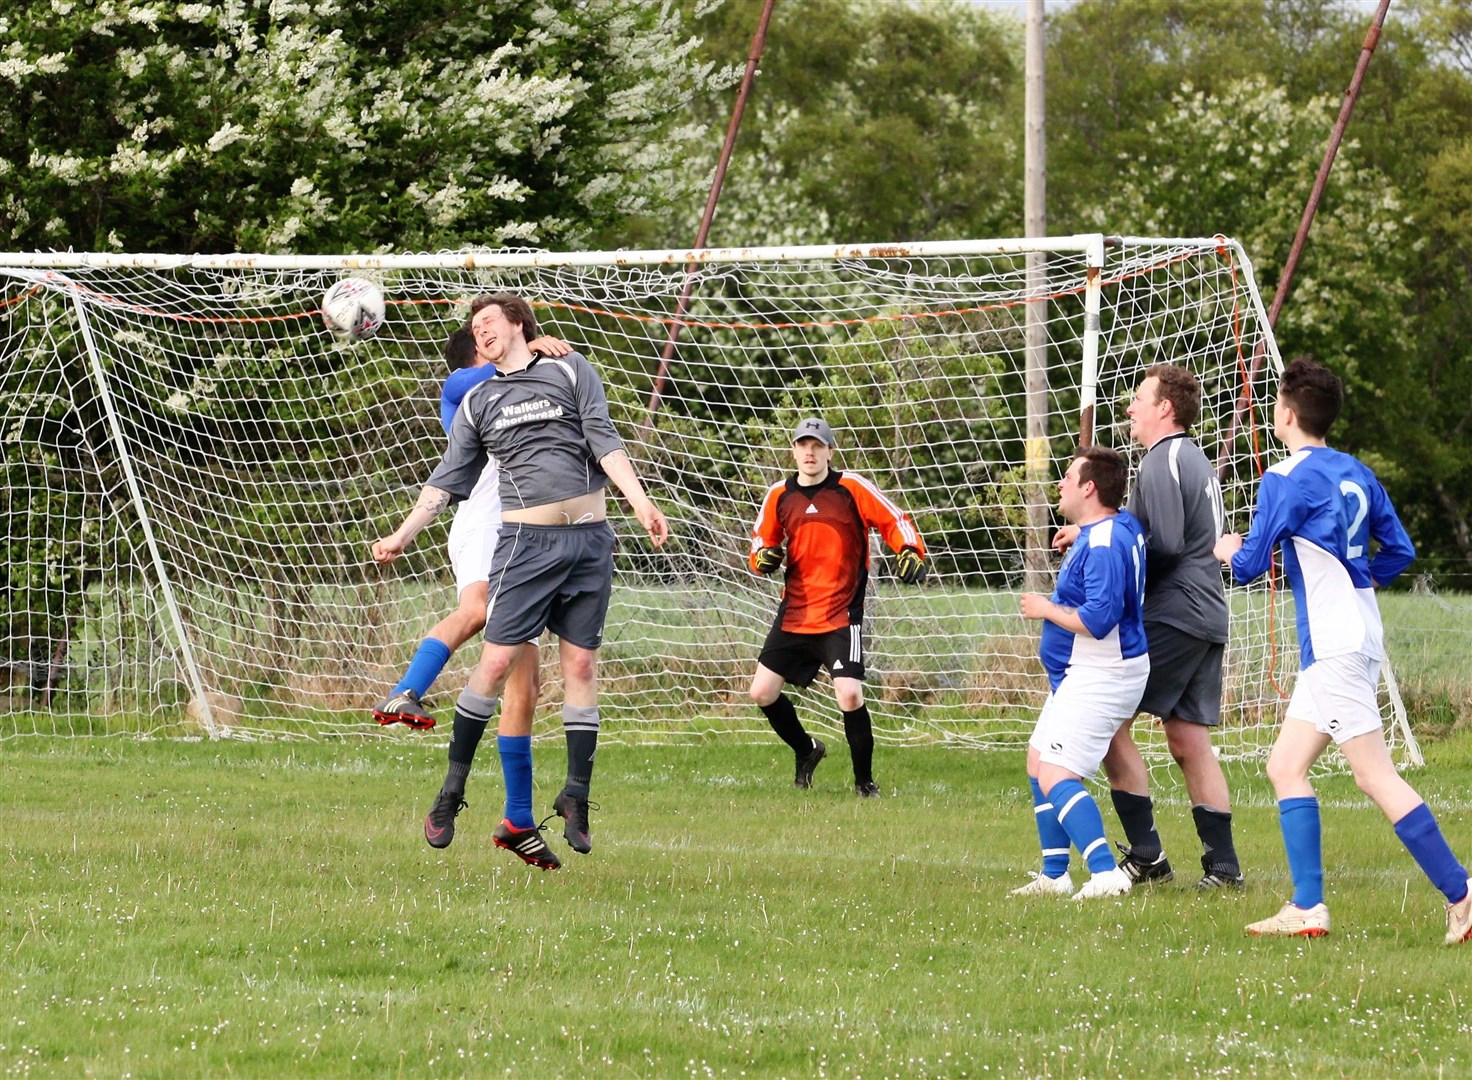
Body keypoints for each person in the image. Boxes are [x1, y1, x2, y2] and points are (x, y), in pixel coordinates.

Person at [373, 293, 669, 871]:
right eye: (474, 326)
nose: (479, 330)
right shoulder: (477, 395)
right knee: (493, 664)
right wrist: (402, 534)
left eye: (489, 321)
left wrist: (640, 504)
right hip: (524, 546)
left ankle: (575, 796)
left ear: (518, 324)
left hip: (589, 539)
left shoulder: (569, 367)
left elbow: (605, 440)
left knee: (578, 668)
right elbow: (446, 480)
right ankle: (451, 792)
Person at [1214, 356, 1471, 942]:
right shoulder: (1356, 470)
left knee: (1375, 776)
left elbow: (1251, 565)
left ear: (1285, 412)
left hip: (1333, 642)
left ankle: (1461, 892)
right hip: (1354, 632)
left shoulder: (1283, 476)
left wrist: (1228, 547)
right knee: (1284, 766)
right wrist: (1359, 575)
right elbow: (1399, 551)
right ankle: (1307, 905)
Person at [1053, 365, 1243, 889]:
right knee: (1188, 739)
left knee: (1108, 717)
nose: (1130, 408)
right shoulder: (1196, 459)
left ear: (1165, 408)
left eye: (1139, 399)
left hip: (1176, 612)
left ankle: (1147, 856)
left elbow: (1163, 544)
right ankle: (1223, 867)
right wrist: (1093, 530)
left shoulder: (1161, 461)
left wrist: (1115, 570)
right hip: (1208, 613)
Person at [372, 325, 570, 734]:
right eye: (488, 342)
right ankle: (406, 689)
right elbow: (472, 378)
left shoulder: (518, 392)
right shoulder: (461, 388)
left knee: (526, 687)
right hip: (482, 524)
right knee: (475, 609)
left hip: (524, 535)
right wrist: (525, 347)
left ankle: (503, 796)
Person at [747, 417, 927, 797]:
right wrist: (762, 557)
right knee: (761, 692)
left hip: (841, 615)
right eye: (802, 445)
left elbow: (895, 519)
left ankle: (864, 783)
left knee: (848, 694)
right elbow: (762, 541)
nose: (809, 452)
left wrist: (909, 550)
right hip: (795, 612)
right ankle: (807, 750)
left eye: (817, 446)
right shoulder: (779, 493)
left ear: (830, 451)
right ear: (794, 451)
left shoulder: (851, 487)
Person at [1013, 445, 1148, 901]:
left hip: (1102, 674)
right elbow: (1118, 528)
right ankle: (1055, 875)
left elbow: (1098, 619)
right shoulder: (1112, 527)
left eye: (1068, 477)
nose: (1060, 483)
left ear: (1089, 487)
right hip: (1084, 673)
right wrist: (1081, 531)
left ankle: (1106, 873)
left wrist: (1044, 609)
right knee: (1038, 761)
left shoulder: (1105, 542)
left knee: (1056, 773)